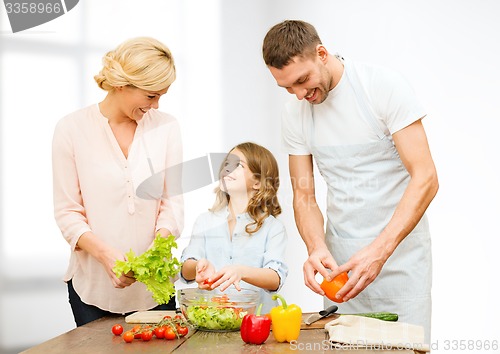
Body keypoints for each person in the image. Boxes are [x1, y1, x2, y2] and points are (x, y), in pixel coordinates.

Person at [262, 20, 438, 341]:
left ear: (322, 53)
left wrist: (378, 253)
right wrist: (315, 247)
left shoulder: (382, 86)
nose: (300, 95)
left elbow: (426, 178)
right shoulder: (295, 112)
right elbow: (303, 196)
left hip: (401, 263)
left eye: (303, 80)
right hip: (340, 272)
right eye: (288, 88)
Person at [52, 37, 184, 326]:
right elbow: (67, 212)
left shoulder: (166, 127)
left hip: (154, 290)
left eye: (162, 95)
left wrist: (158, 248)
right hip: (92, 290)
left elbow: (172, 204)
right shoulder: (71, 129)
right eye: (151, 96)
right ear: (122, 85)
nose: (157, 104)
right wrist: (106, 256)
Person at [180, 142, 288, 313]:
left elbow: (275, 278)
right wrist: (198, 266)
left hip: (257, 322)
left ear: (258, 183)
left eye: (238, 165)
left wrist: (241, 271)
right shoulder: (205, 221)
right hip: (213, 319)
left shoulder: (273, 227)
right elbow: (186, 272)